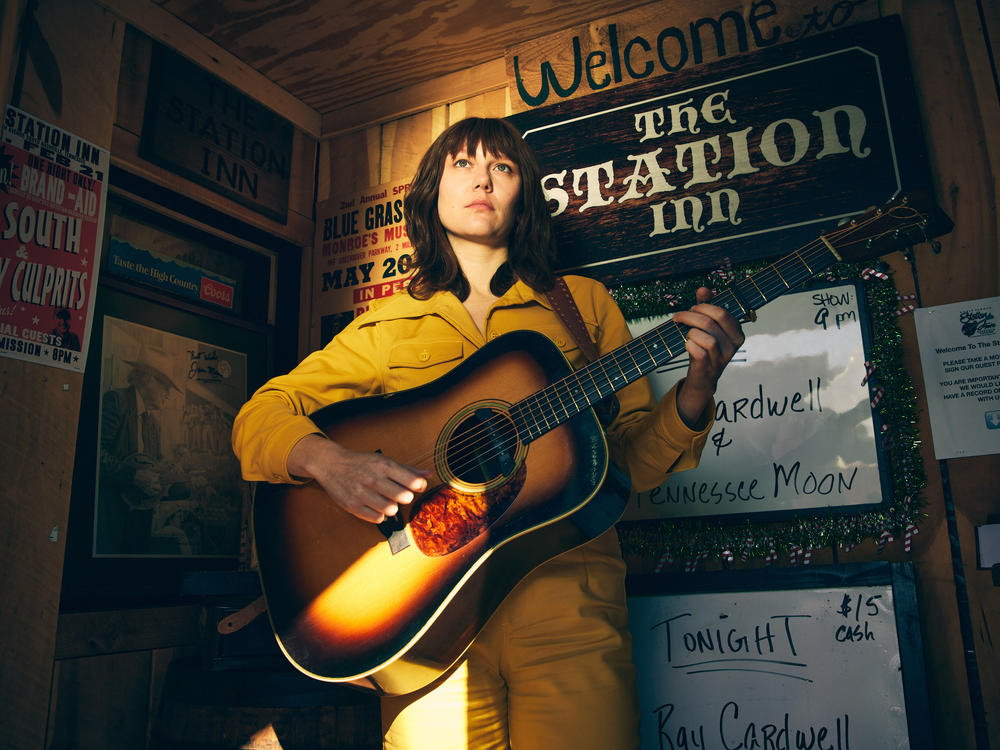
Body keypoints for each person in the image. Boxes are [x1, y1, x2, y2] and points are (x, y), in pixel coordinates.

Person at [231, 117, 744, 749]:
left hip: (571, 607)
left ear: (523, 192)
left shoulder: (583, 304)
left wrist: (696, 389)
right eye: (463, 165)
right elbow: (261, 414)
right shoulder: (387, 325)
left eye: (502, 167)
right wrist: (327, 461)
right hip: (428, 623)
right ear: (432, 192)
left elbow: (632, 463)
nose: (483, 179)